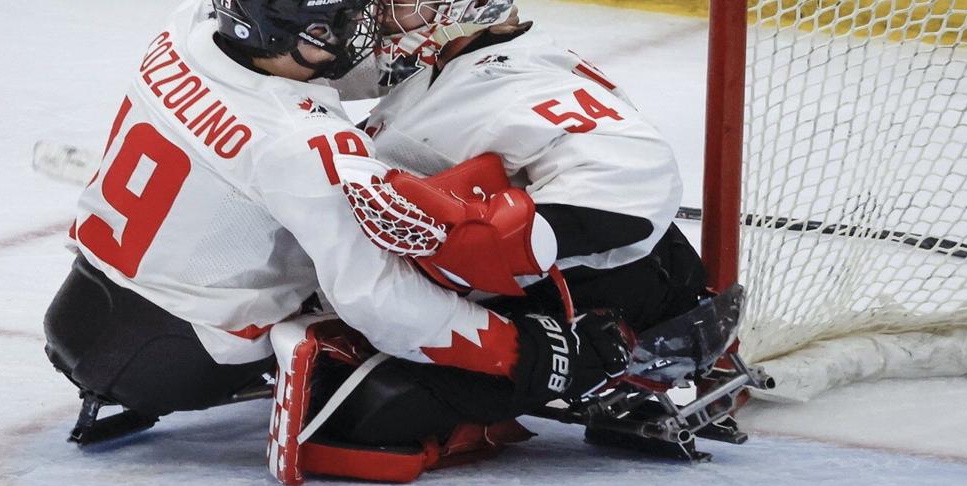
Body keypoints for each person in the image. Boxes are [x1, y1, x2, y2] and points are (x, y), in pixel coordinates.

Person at [42, 0, 631, 480]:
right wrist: (519, 352)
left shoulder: (189, 28)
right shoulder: (304, 146)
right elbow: (374, 298)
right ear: (296, 32)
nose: (365, 27)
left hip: (87, 300)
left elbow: (300, 71)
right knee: (440, 251)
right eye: (345, 20)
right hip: (186, 357)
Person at [294, 0, 710, 455]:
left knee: (351, 410)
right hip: (548, 283)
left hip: (618, 294)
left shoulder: (517, 83)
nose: (378, 12)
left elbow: (634, 176)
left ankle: (585, 361)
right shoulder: (451, 59)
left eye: (399, 3)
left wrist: (487, 243)